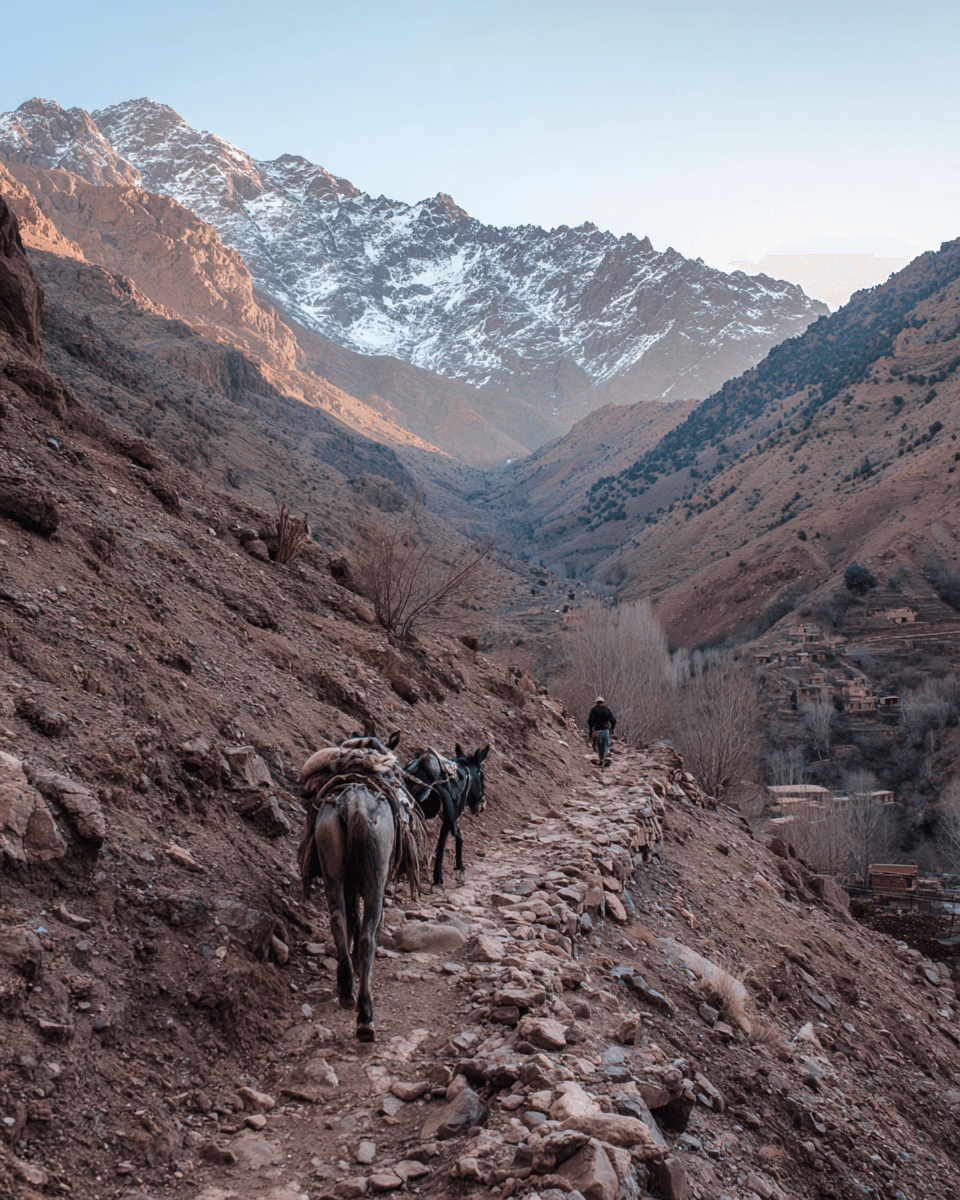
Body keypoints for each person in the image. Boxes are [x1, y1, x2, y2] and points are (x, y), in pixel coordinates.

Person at [587, 695, 616, 766]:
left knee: (599, 745)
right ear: (603, 702)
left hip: (597, 730)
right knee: (606, 744)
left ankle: (601, 759)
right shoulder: (607, 709)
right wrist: (612, 729)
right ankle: (605, 758)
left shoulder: (593, 710)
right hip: (605, 729)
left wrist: (590, 732)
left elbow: (590, 722)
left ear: (596, 702)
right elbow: (613, 720)